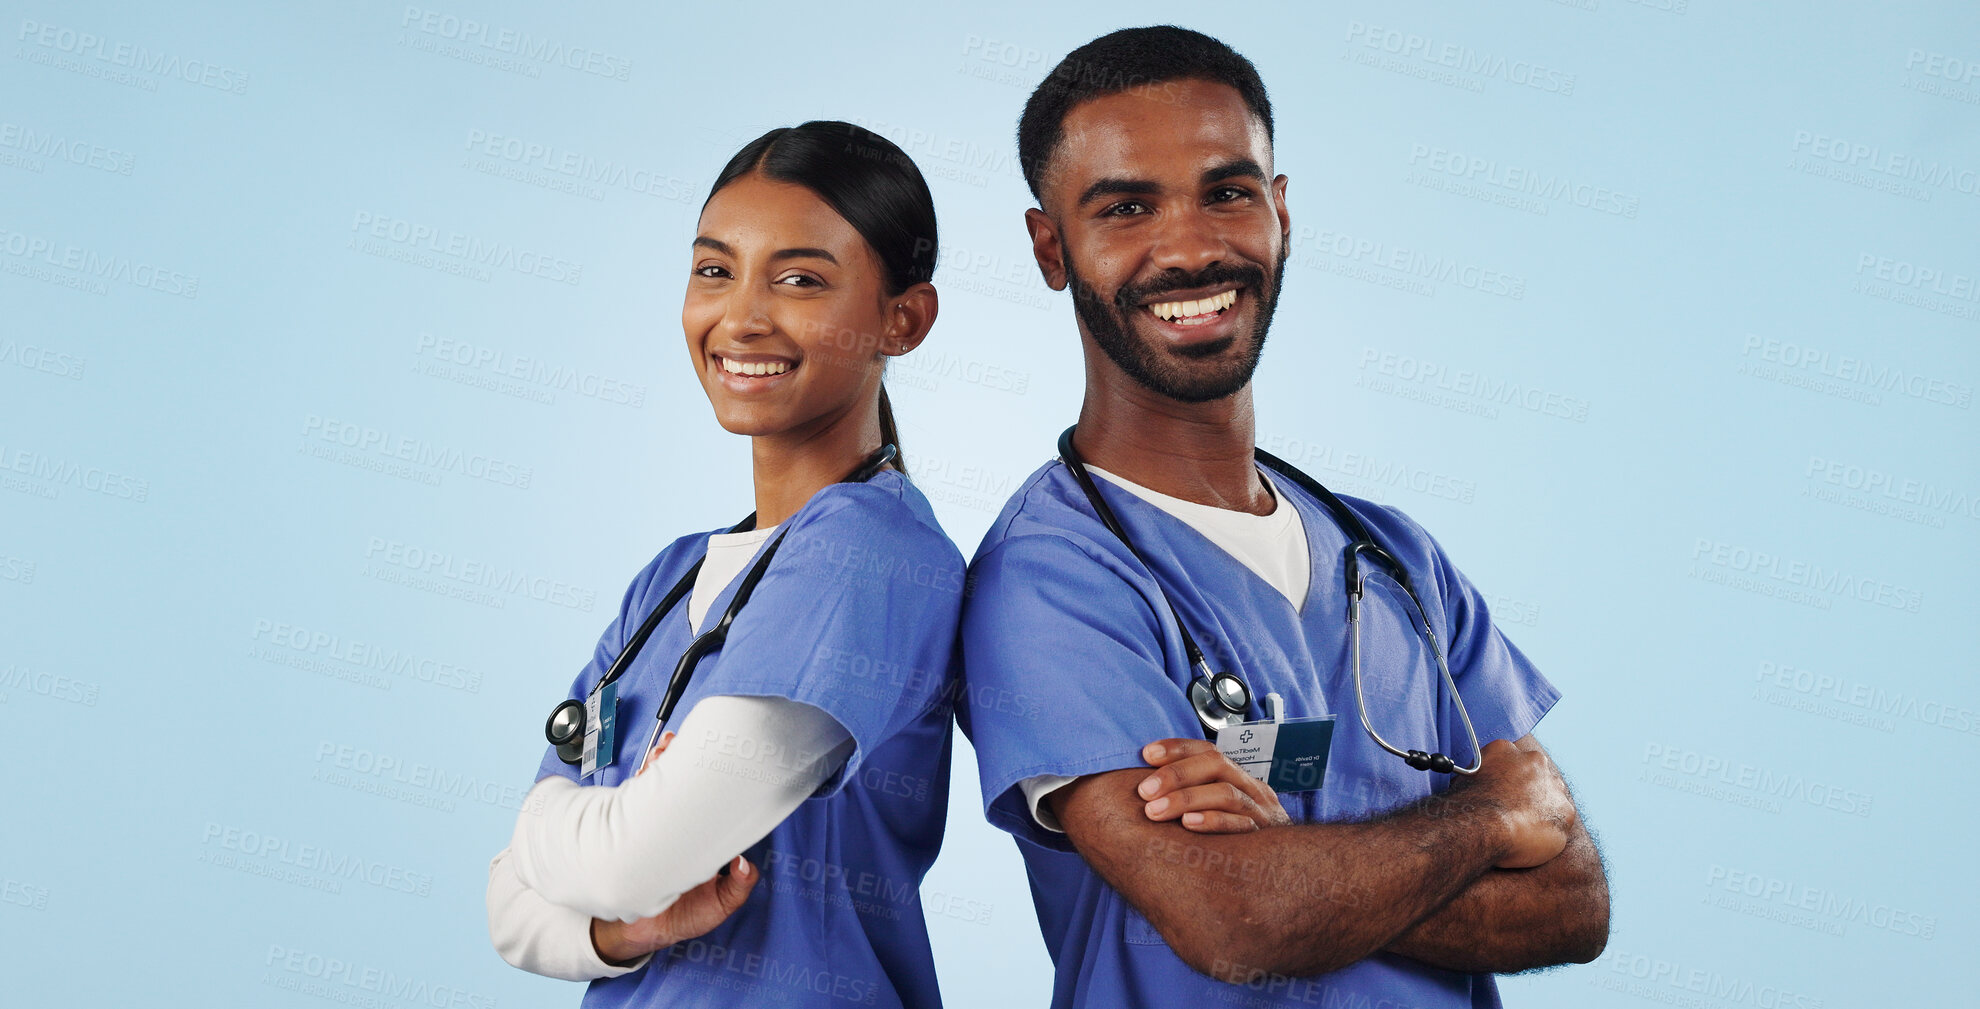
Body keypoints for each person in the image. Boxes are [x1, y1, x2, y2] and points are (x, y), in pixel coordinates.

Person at [956, 26, 1610, 1008]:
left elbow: (1573, 903)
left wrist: (1293, 866)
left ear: (1282, 211)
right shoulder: (1050, 578)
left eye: (1228, 191)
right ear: (1052, 247)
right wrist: (1485, 822)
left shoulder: (1396, 559)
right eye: (1127, 207)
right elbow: (1236, 921)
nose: (1189, 246)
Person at [484, 121, 963, 1009]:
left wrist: (549, 826)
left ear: (906, 318)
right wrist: (622, 931)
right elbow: (509, 911)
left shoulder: (870, 556)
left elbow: (629, 859)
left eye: (800, 280)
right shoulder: (669, 581)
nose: (740, 316)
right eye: (714, 270)